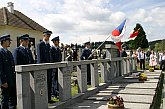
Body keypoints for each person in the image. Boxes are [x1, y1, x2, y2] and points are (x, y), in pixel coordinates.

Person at [36, 30, 55, 103]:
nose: (48, 37)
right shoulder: (40, 45)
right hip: (43, 67)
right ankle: (43, 98)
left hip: (49, 67)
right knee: (43, 84)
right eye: (47, 36)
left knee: (49, 82)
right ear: (44, 35)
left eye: (49, 36)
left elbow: (50, 56)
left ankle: (49, 98)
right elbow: (40, 58)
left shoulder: (48, 45)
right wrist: (41, 67)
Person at [0, 34, 17, 109]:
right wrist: (3, 81)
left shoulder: (9, 53)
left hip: (11, 80)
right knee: (5, 100)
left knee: (12, 100)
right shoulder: (0, 53)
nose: (10, 42)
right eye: (8, 41)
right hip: (5, 81)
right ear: (3, 41)